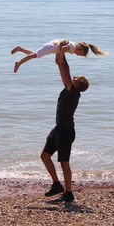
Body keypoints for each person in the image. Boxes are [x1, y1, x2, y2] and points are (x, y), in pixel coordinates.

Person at [40, 51, 89, 202]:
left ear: (77, 84)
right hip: (58, 129)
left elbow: (65, 70)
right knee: (45, 156)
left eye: (76, 78)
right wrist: (60, 52)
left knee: (64, 162)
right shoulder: (69, 89)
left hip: (66, 132)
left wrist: (63, 56)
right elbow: (61, 67)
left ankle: (68, 193)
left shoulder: (73, 91)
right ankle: (56, 184)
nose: (73, 77)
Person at [11, 39, 108, 73]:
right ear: (80, 49)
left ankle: (20, 49)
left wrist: (58, 57)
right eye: (80, 54)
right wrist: (61, 59)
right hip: (52, 47)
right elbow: (62, 49)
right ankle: (18, 63)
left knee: (34, 55)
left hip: (53, 46)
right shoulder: (72, 47)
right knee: (34, 55)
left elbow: (61, 48)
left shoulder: (73, 46)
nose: (78, 55)